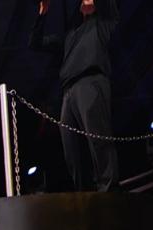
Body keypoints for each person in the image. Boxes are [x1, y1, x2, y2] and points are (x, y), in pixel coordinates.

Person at [31, 0, 119, 191]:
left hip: (91, 81)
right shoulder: (70, 34)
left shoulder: (104, 22)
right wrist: (43, 13)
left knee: (98, 138)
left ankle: (109, 188)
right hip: (68, 91)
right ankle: (83, 192)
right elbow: (35, 43)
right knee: (71, 148)